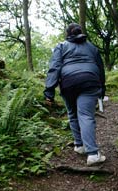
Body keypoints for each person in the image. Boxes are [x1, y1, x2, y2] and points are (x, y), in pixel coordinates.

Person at [44, 23, 106, 166]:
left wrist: (49, 91)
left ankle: (80, 146)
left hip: (68, 83)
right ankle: (92, 154)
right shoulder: (91, 47)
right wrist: (102, 89)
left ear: (67, 34)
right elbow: (100, 69)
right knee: (85, 115)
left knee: (72, 114)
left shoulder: (61, 46)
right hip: (90, 82)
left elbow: (54, 67)